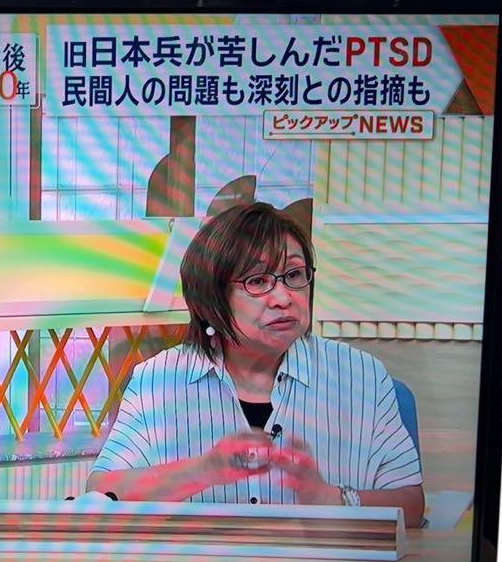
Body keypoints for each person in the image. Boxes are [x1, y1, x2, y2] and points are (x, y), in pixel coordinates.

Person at [86, 202, 425, 527]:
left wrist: (330, 499)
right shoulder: (157, 381)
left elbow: (410, 506)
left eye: (294, 274)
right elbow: (102, 493)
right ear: (209, 299)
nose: (284, 298)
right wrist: (204, 470)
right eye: (258, 281)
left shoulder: (362, 375)